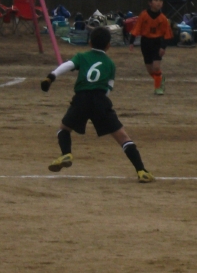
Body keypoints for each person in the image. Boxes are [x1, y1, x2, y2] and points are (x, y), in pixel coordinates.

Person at [42, 26, 154, 182]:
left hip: (81, 99)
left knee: (64, 129)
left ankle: (66, 153)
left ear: (89, 42)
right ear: (108, 45)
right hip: (100, 100)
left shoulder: (82, 56)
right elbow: (109, 88)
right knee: (122, 137)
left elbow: (67, 65)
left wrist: (51, 76)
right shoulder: (110, 64)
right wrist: (100, 102)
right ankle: (141, 170)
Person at [135, 0, 172, 95]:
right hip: (145, 43)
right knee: (150, 69)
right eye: (156, 0)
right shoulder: (144, 15)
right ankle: (160, 79)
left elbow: (167, 34)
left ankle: (158, 88)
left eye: (160, 1)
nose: (158, 3)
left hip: (157, 42)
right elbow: (137, 27)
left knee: (156, 66)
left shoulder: (163, 18)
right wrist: (132, 41)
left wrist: (163, 47)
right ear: (150, 3)